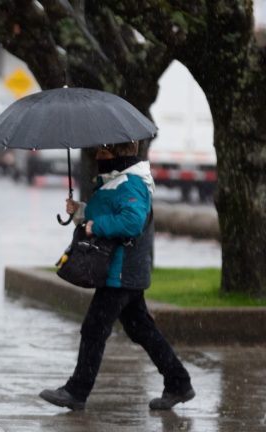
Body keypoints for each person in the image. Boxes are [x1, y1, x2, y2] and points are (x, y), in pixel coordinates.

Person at [39, 141, 194, 411]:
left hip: (121, 273)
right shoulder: (117, 180)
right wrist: (81, 212)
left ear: (118, 153)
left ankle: (77, 391)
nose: (98, 157)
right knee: (140, 329)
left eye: (103, 153)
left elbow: (131, 223)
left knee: (94, 329)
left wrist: (95, 225)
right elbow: (111, 211)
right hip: (122, 272)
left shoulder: (131, 183)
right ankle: (179, 382)